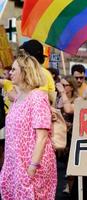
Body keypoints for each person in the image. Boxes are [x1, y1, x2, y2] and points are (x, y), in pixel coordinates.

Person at [0, 51, 57, 199]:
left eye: (14, 70)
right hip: (15, 165)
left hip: (31, 166)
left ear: (25, 72)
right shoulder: (18, 97)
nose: (10, 73)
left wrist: (32, 167)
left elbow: (42, 137)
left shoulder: (38, 97)